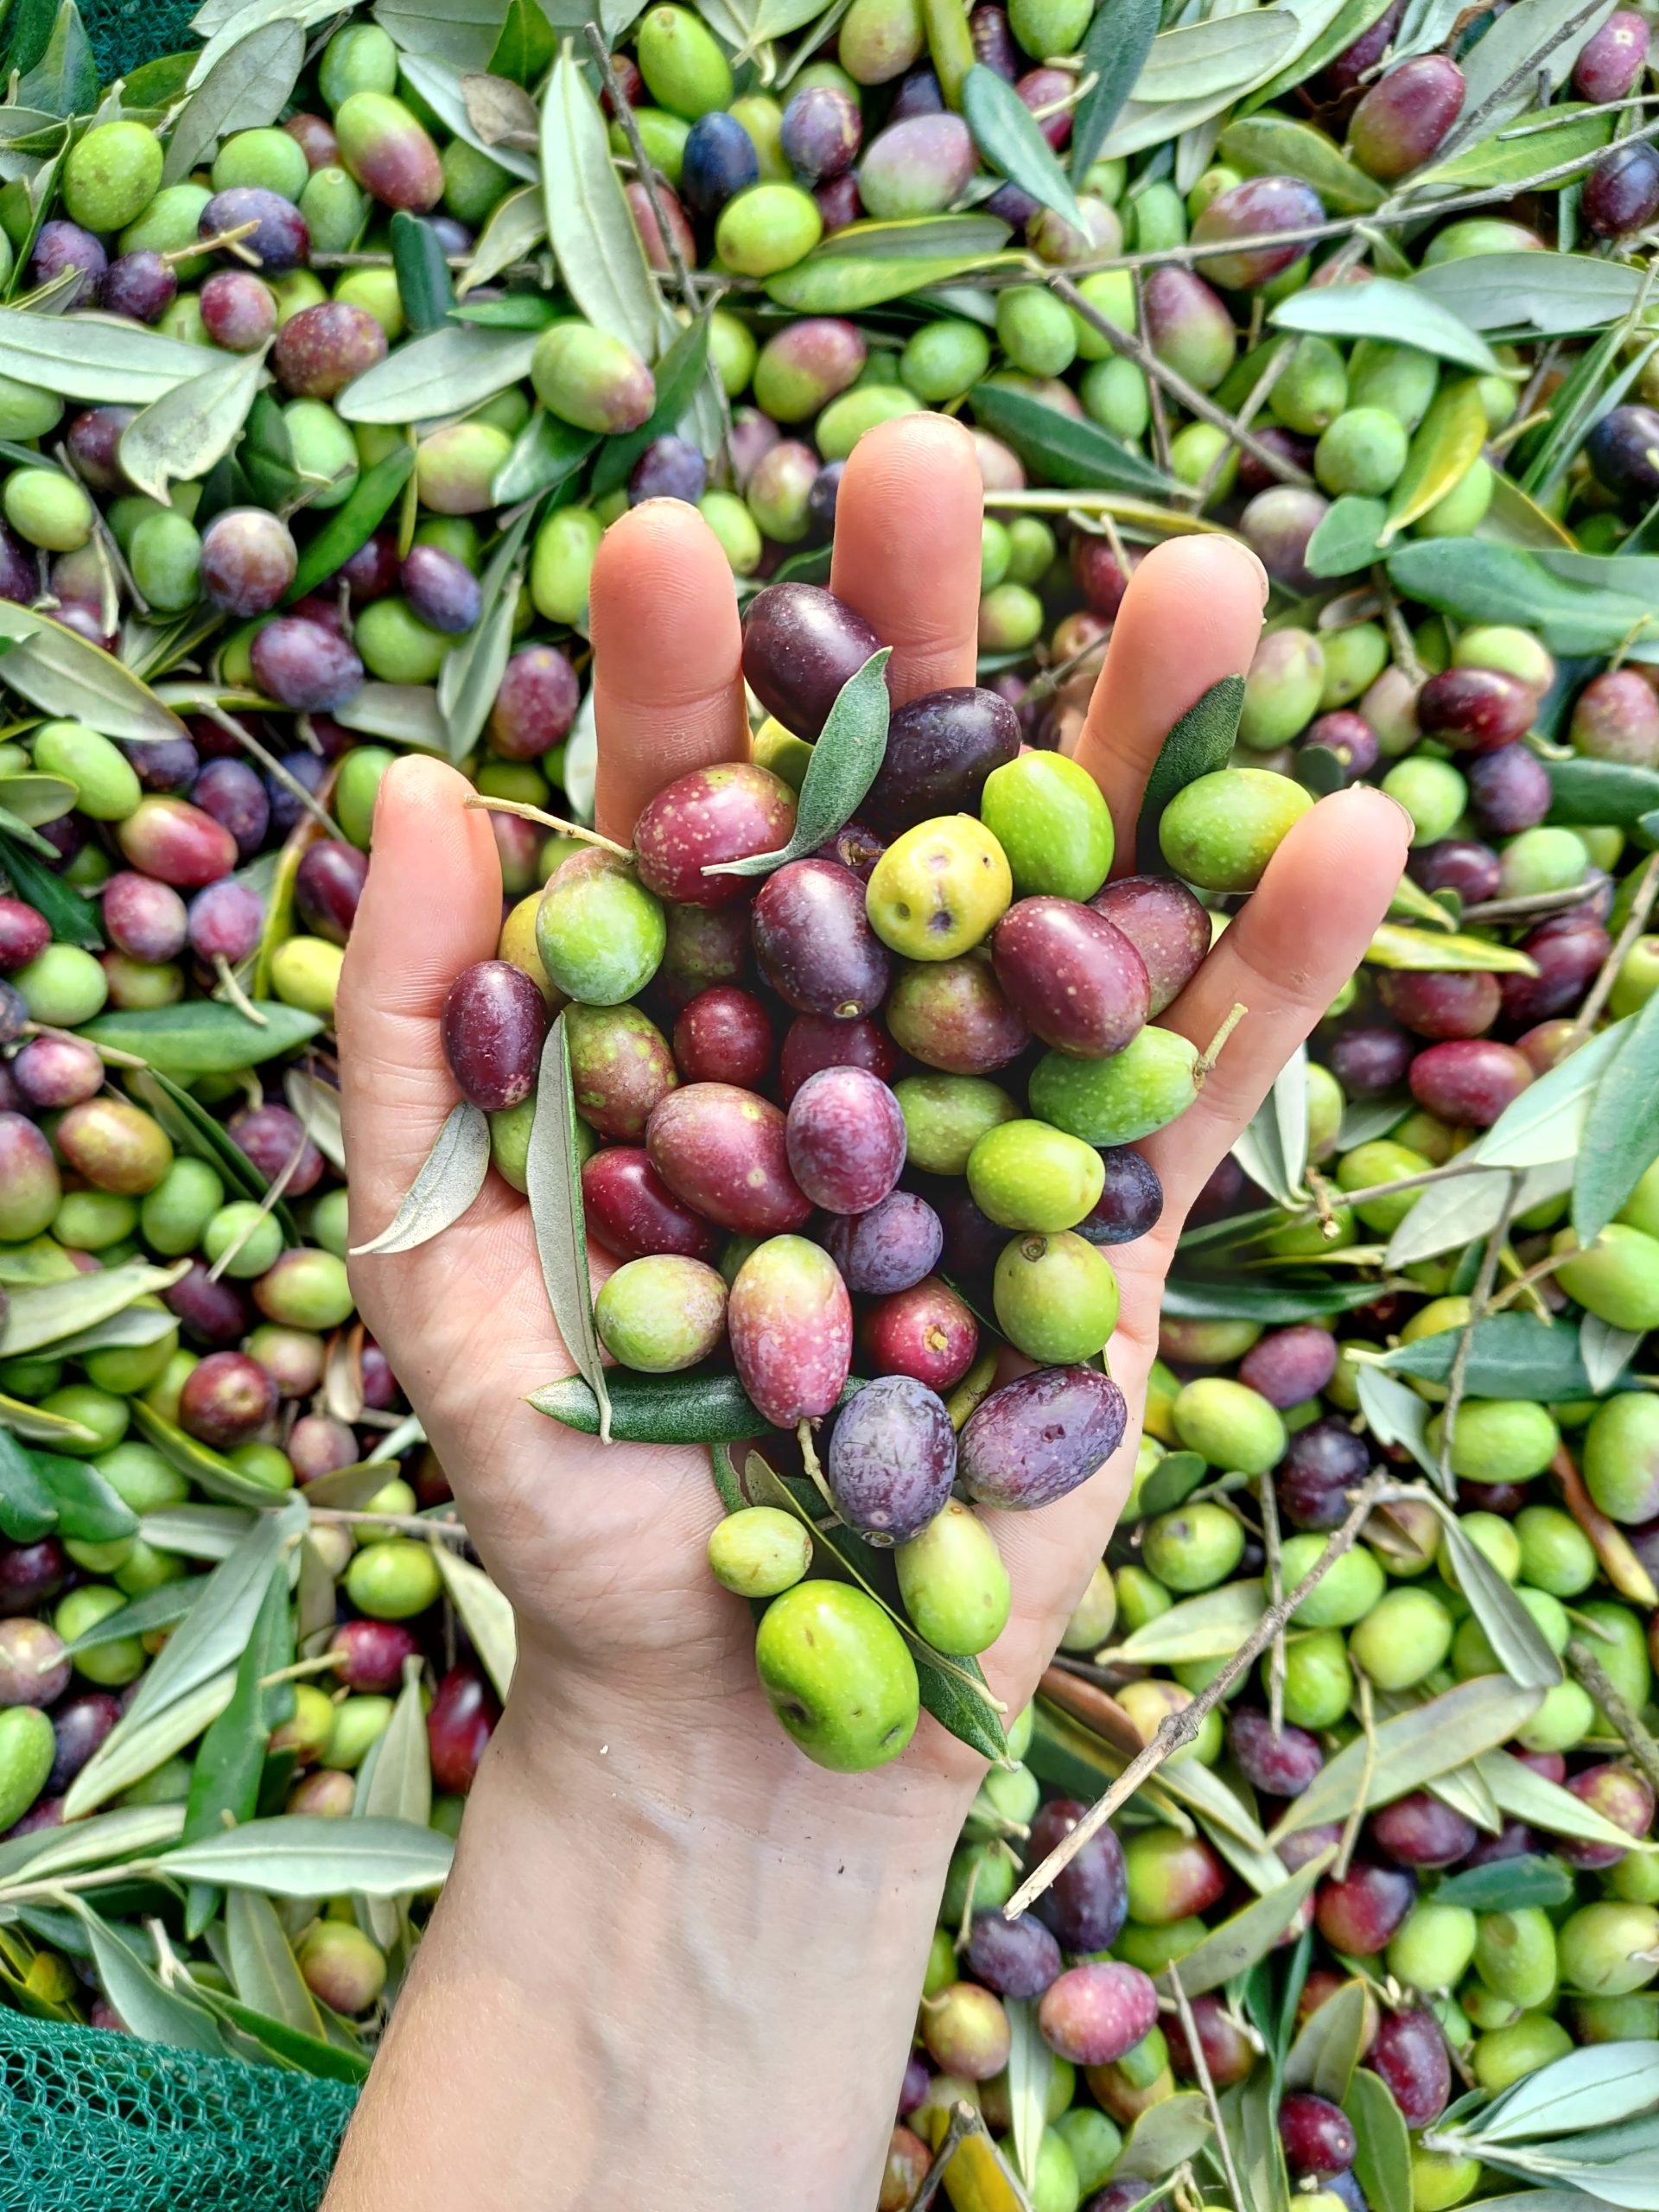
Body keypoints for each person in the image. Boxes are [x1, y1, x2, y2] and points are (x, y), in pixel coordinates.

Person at [324, 415, 1407, 2209]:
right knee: (772, 1110)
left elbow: (894, 1178)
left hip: (889, 1268)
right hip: (839, 1254)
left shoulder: (931, 1162)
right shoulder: (757, 1113)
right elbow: (777, 1143)